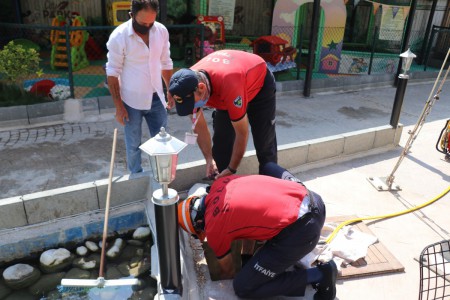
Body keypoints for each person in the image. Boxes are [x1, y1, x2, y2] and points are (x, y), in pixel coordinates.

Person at [177, 162, 337, 299]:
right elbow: (247, 217)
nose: (204, 236)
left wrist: (247, 268)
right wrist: (248, 256)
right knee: (268, 167)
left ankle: (320, 275)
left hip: (304, 230)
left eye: (199, 233)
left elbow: (228, 271)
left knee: (243, 287)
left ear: (198, 222)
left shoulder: (213, 228)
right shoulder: (220, 184)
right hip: (311, 198)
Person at [168, 50, 277, 179]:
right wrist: (209, 159)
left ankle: (271, 181)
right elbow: (199, 126)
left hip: (259, 84)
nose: (191, 108)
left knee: (263, 140)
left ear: (202, 88)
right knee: (221, 142)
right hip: (226, 87)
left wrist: (232, 168)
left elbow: (242, 133)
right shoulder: (185, 82)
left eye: (191, 103)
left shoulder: (229, 83)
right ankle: (221, 183)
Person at [106, 0, 173, 173]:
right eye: (143, 23)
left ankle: (161, 175)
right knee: (133, 143)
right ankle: (135, 174)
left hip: (157, 97)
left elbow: (166, 63)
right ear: (131, 15)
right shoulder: (119, 37)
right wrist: (119, 107)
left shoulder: (161, 31)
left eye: (152, 22)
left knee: (161, 142)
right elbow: (112, 73)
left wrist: (170, 92)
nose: (148, 27)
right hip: (130, 101)